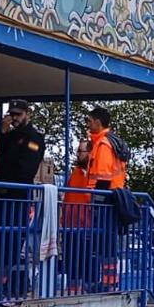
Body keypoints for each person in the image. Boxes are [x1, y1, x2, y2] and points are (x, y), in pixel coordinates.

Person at [0, 99, 46, 296]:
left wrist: (8, 185)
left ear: (27, 113)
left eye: (17, 114)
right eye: (11, 114)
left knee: (12, 243)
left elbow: (26, 169)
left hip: (16, 197)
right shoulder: (10, 136)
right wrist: (3, 133)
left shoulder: (33, 138)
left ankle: (13, 286)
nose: (13, 118)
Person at [86, 107, 127, 291]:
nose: (88, 124)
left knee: (105, 244)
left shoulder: (103, 144)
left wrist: (96, 203)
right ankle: (110, 281)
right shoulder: (113, 142)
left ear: (98, 122)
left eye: (89, 120)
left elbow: (102, 177)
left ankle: (108, 283)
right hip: (114, 198)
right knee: (108, 243)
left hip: (105, 200)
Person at [62, 138, 94, 294]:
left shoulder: (90, 174)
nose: (78, 154)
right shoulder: (76, 173)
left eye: (81, 151)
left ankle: (84, 288)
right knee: (73, 261)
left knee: (85, 260)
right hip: (72, 225)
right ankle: (73, 290)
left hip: (85, 225)